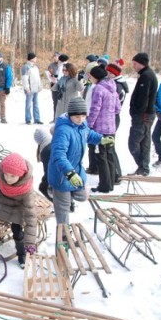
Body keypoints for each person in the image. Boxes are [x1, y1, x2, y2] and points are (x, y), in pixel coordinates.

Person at [48, 97, 113, 232]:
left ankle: (67, 196)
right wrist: (69, 173)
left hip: (76, 169)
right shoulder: (63, 130)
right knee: (63, 208)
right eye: (77, 116)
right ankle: (64, 234)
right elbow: (58, 155)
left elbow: (88, 134)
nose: (81, 119)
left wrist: (101, 139)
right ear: (70, 115)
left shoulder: (82, 125)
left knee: (82, 195)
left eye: (83, 116)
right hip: (61, 173)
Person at [87, 66, 121, 193]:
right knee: (110, 154)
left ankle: (104, 185)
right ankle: (111, 182)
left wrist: (89, 124)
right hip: (111, 127)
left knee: (101, 156)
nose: (90, 78)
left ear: (96, 76)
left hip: (100, 128)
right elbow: (118, 108)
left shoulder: (98, 89)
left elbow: (95, 109)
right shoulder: (113, 87)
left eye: (91, 76)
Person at [128, 52, 158, 176]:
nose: (133, 66)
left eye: (135, 64)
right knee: (144, 142)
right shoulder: (146, 74)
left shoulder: (146, 76)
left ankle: (143, 166)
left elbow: (143, 98)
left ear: (141, 64)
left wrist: (136, 112)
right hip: (146, 115)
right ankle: (143, 168)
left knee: (134, 142)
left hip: (143, 115)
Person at [106, 60, 128, 180]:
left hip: (113, 118)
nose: (108, 75)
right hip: (111, 117)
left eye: (110, 73)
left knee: (110, 146)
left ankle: (116, 173)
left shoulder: (118, 86)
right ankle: (112, 173)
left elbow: (115, 105)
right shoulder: (113, 83)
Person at [21, 52, 43, 125]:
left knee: (36, 104)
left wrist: (40, 86)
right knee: (28, 104)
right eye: (35, 58)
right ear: (32, 58)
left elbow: (38, 78)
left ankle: (37, 119)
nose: (36, 59)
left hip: (35, 88)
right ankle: (28, 119)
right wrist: (27, 88)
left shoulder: (35, 67)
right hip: (30, 88)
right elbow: (25, 78)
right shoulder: (26, 67)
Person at [46, 52, 62, 121]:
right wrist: (51, 77)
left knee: (62, 102)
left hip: (61, 85)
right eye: (54, 56)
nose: (55, 58)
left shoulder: (63, 65)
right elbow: (49, 74)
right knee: (55, 102)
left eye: (56, 56)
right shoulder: (51, 65)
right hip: (54, 84)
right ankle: (55, 118)